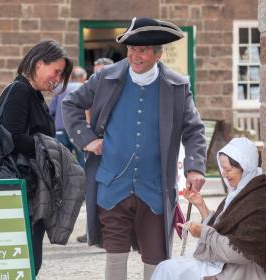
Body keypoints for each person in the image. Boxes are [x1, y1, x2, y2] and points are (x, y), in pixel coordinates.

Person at [62, 17, 206, 280]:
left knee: (156, 259)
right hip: (111, 185)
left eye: (143, 50)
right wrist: (88, 139)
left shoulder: (177, 86)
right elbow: (70, 105)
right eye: (131, 49)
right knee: (114, 255)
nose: (135, 56)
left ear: (158, 54)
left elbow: (194, 130)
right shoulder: (105, 78)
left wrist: (195, 167)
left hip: (154, 188)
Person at [151, 137, 266, 280]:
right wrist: (201, 206)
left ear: (245, 167)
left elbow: (240, 252)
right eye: (223, 169)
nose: (223, 174)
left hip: (248, 271)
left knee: (169, 271)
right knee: (167, 268)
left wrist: (202, 232)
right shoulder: (240, 191)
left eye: (228, 169)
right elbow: (222, 229)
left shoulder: (259, 200)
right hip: (230, 264)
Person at [0, 39, 72, 276]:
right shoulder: (20, 91)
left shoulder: (32, 93)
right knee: (27, 261)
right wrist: (49, 146)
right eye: (55, 71)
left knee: (29, 261)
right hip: (21, 189)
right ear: (39, 64)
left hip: (30, 187)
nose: (57, 78)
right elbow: (13, 138)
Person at [76, 57, 114, 244]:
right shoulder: (90, 89)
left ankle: (107, 231)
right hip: (94, 144)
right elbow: (84, 113)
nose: (97, 76)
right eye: (95, 72)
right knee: (92, 188)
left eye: (101, 72)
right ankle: (92, 231)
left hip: (115, 146)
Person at [49, 66, 87, 167]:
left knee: (64, 162)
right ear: (83, 77)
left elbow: (51, 111)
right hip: (78, 129)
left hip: (60, 130)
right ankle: (84, 182)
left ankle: (66, 183)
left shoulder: (60, 89)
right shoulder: (84, 88)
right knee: (83, 160)